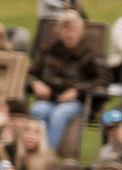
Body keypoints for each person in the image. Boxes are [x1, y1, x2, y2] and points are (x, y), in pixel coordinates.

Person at [27, 13, 101, 155]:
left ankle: (47, 156)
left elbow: (102, 79)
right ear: (59, 31)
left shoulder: (89, 54)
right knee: (37, 110)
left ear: (80, 33)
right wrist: (36, 83)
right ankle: (31, 153)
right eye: (66, 29)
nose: (69, 34)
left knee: (59, 114)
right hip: (49, 100)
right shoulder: (47, 51)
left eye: (74, 30)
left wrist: (76, 90)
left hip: (75, 102)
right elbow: (29, 74)